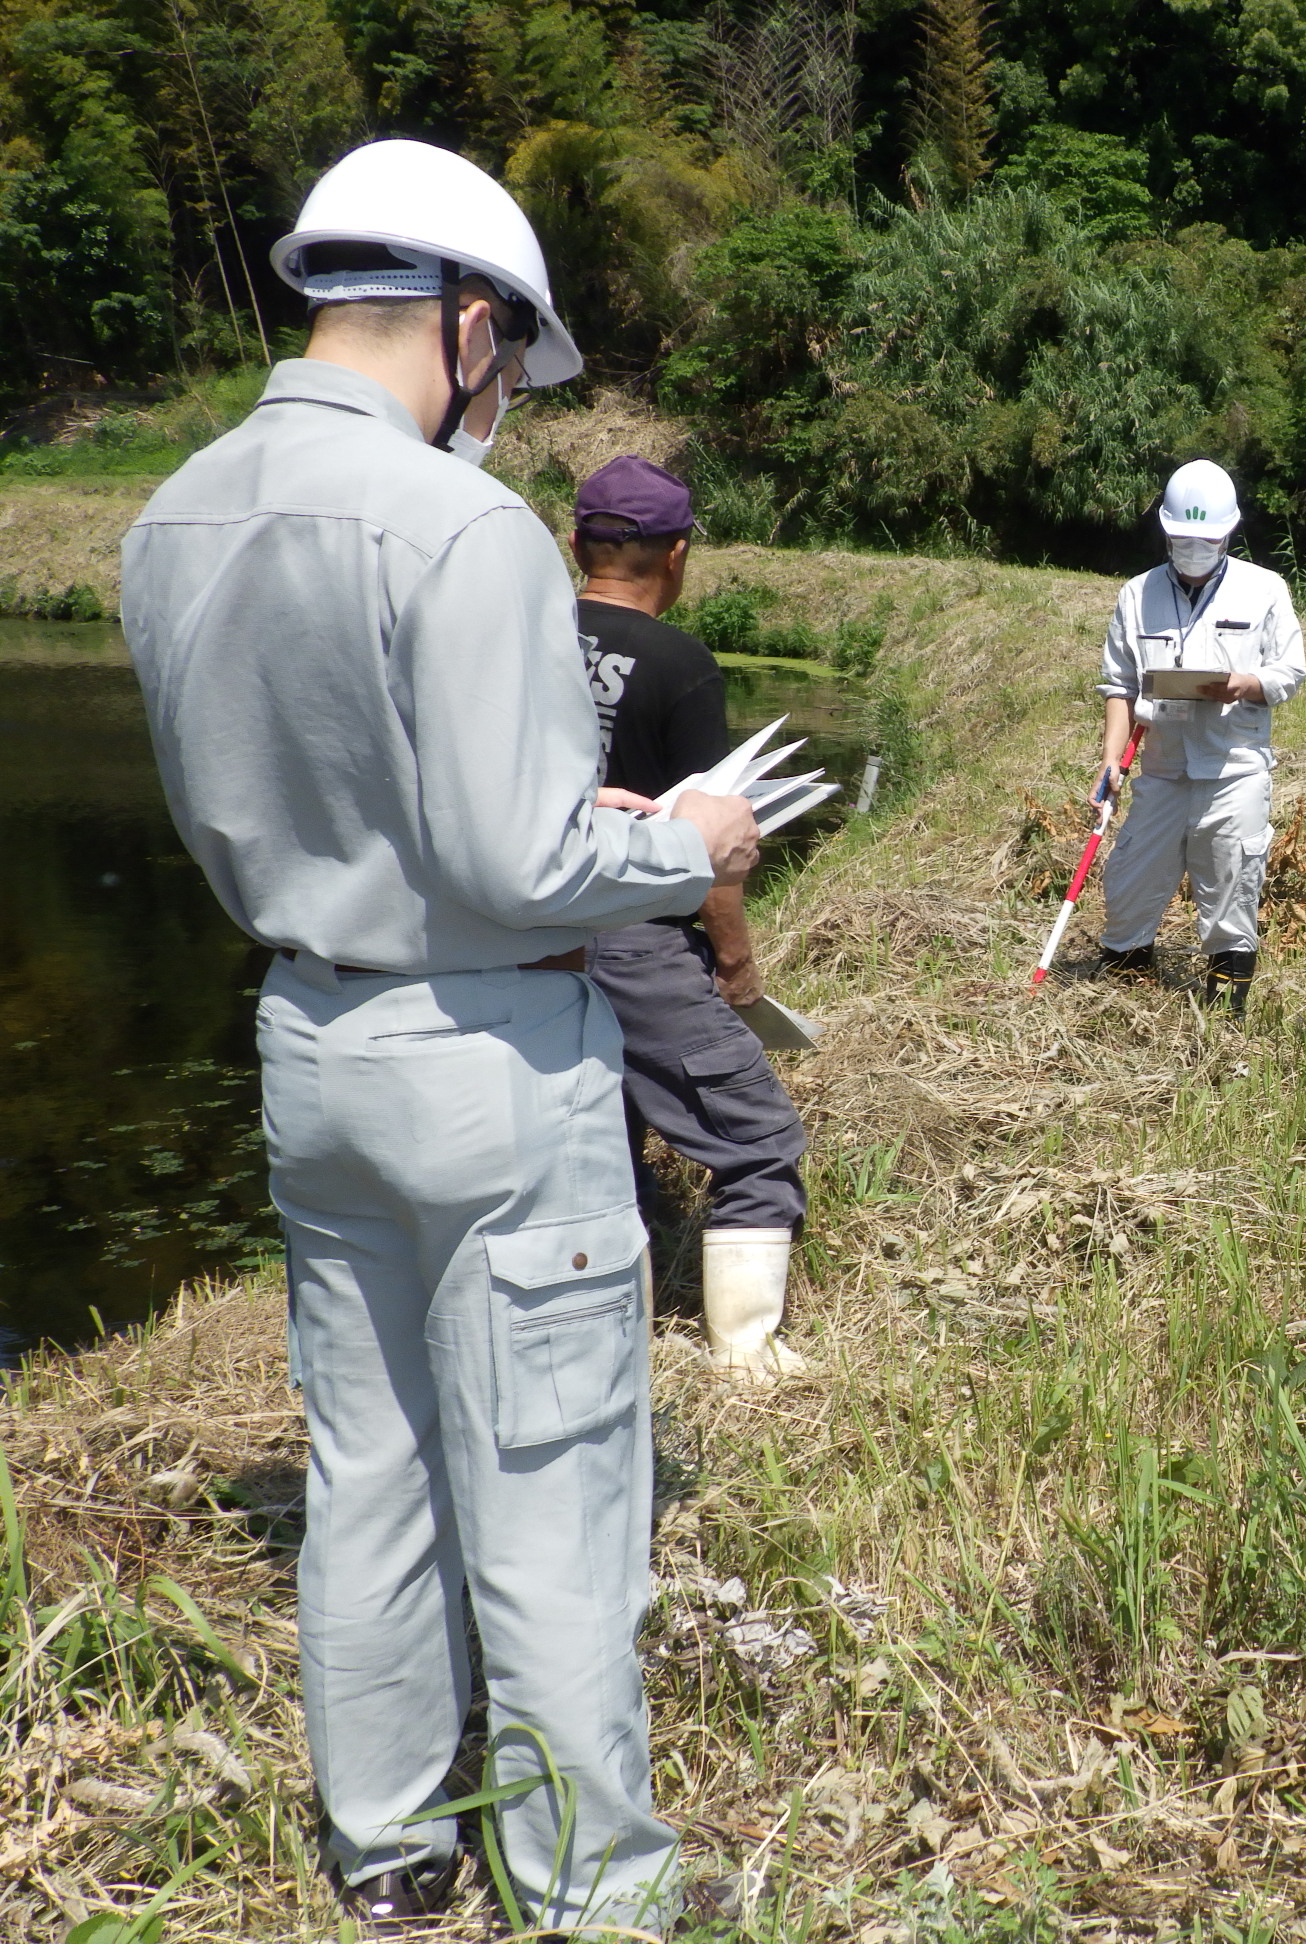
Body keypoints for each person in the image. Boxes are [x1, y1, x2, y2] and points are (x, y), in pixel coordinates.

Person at [119, 139, 760, 1936]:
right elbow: (520, 860)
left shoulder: (170, 514)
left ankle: (390, 1845)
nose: (506, 400)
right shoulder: (462, 528)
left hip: (310, 1037)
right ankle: (592, 1888)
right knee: (552, 1491)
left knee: (370, 1460)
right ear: (470, 323)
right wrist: (691, 844)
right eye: (513, 362)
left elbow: (285, 799)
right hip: (491, 1060)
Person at [573, 455, 811, 1382]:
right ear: (676, 556)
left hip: (526, 932)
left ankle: (605, 1339)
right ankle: (746, 1354)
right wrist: (736, 961)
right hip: (636, 936)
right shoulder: (680, 666)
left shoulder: (522, 636)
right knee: (758, 1134)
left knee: (597, 1131)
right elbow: (704, 843)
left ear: (576, 543)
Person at [1093, 459, 1306, 1014]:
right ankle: (1123, 998)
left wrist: (1245, 684)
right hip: (1162, 769)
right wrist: (1111, 758)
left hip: (1234, 766)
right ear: (1166, 532)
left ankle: (1223, 1013)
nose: (1194, 549)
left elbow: (1291, 670)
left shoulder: (1264, 589)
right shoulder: (1137, 594)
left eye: (1206, 539)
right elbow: (1120, 685)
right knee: (1131, 881)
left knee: (1232, 884)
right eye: (1183, 539)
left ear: (1229, 533)